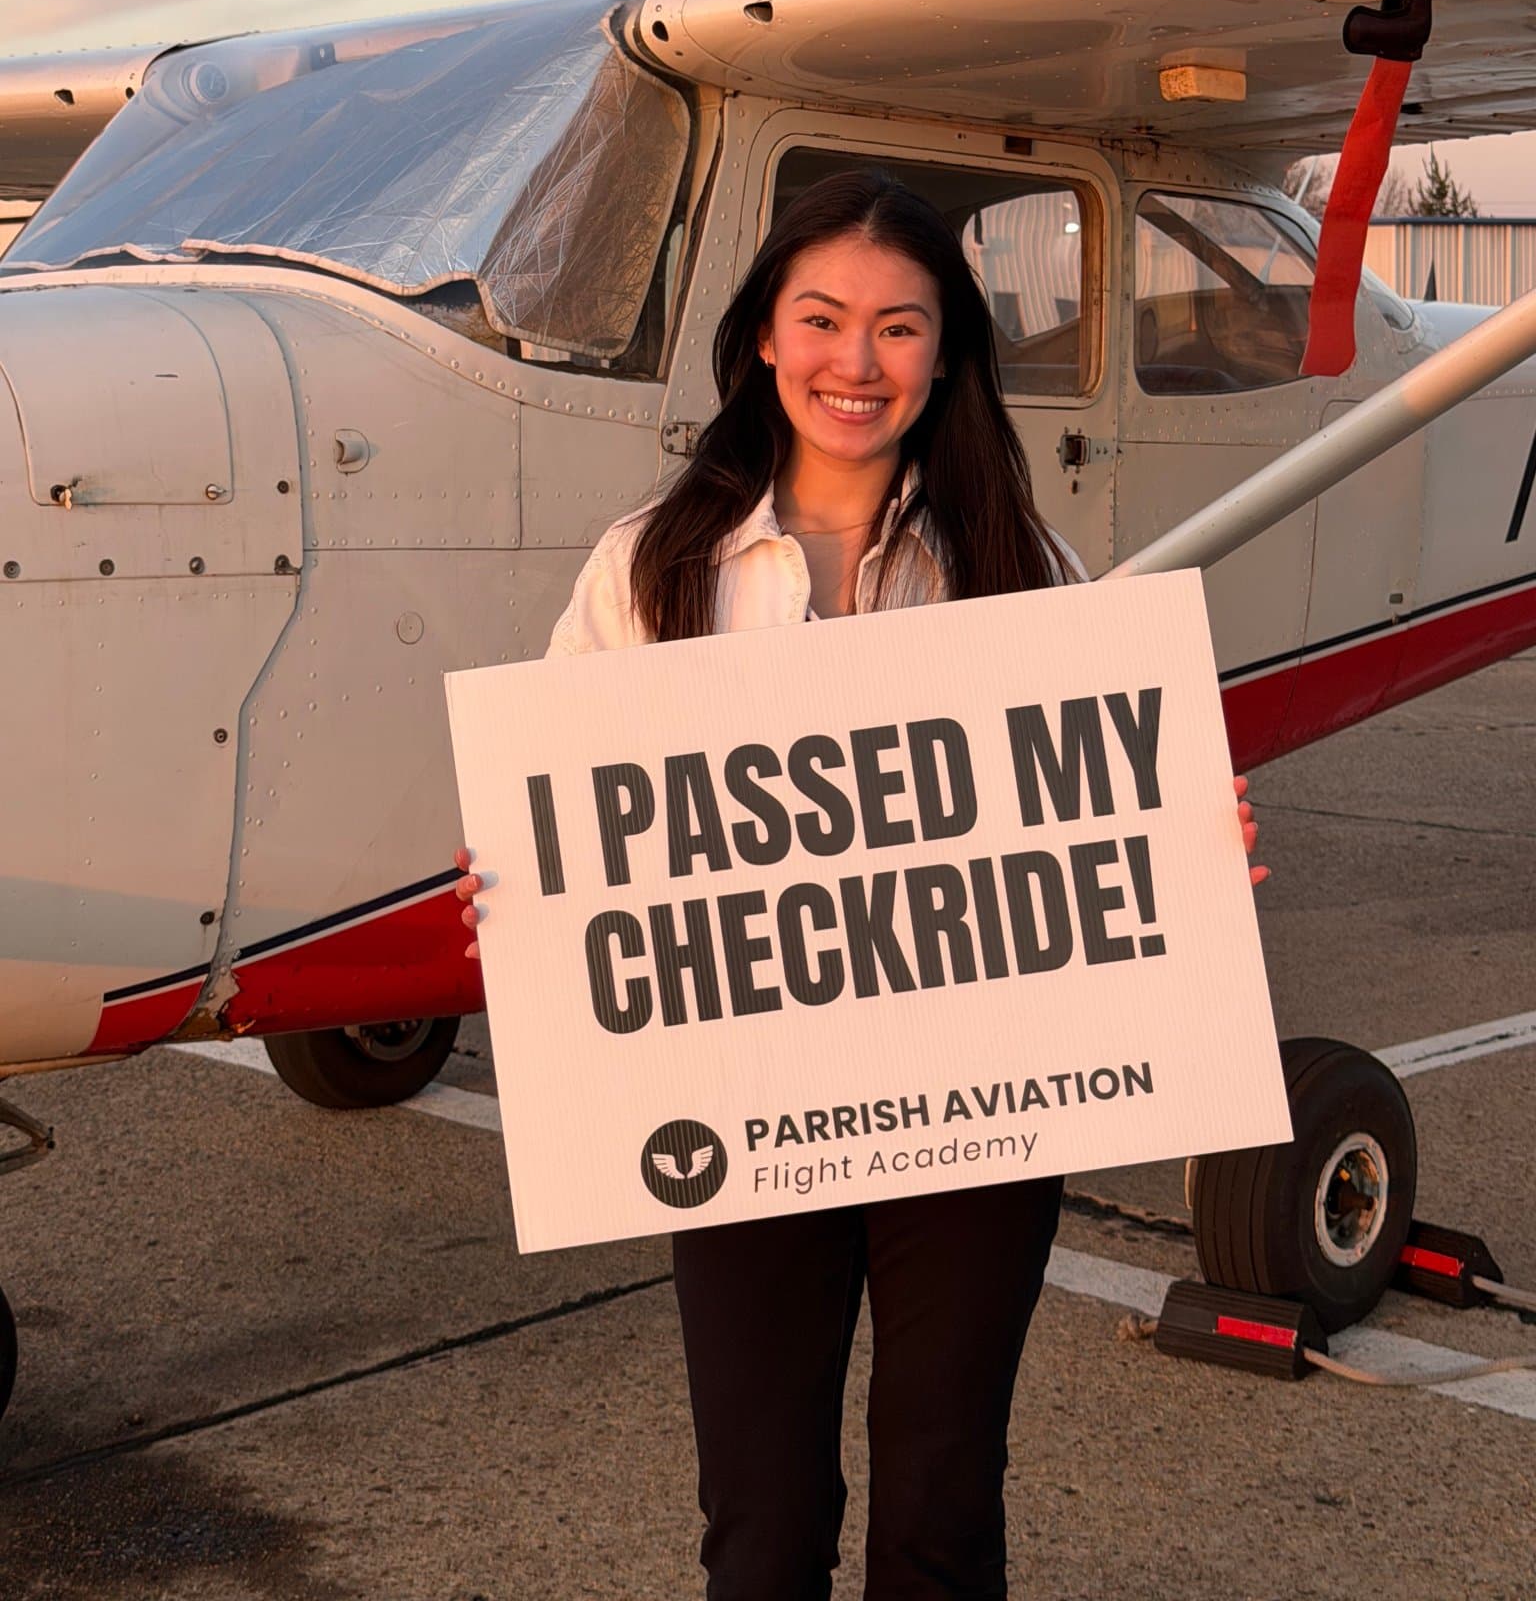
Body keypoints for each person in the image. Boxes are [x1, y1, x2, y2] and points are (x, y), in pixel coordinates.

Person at [456, 167, 1265, 1599]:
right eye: (822, 319)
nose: (856, 362)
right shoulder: (650, 570)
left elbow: (1102, 816)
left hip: (974, 1110)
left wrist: (1190, 850)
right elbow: (569, 822)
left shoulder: (1019, 568)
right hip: (739, 1103)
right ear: (765, 336)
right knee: (760, 1523)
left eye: (899, 328)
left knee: (944, 1512)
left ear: (943, 354)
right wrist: (515, 890)